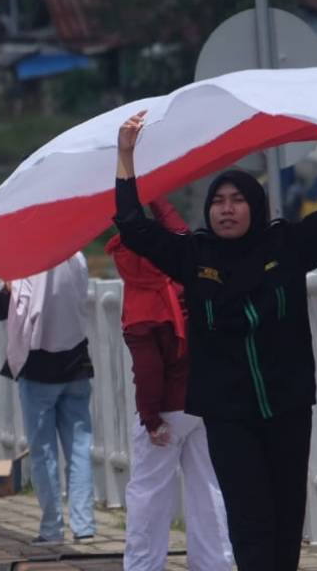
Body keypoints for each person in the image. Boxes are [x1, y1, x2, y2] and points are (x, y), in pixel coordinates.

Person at [114, 111, 317, 570]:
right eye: (218, 200)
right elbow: (132, 226)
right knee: (249, 521)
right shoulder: (194, 254)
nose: (226, 208)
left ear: (255, 206)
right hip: (228, 414)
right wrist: (125, 155)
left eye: (237, 200)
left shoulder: (286, 246)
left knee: (285, 519)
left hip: (287, 407)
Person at [105, 200, 232, 570]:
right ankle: (215, 564)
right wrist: (157, 196)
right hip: (204, 402)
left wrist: (150, 419)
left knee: (149, 494)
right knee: (209, 489)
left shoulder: (141, 297)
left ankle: (144, 566)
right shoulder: (182, 277)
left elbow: (147, 369)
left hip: (167, 412)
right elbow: (178, 232)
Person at [0, 252, 96, 543]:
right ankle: (84, 526)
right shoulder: (77, 257)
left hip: (38, 369)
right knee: (80, 448)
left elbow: (1, 310)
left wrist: (7, 285)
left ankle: (51, 528)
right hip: (76, 364)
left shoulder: (26, 261)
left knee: (43, 452)